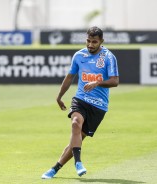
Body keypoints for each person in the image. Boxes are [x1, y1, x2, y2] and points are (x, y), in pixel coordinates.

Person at [41, 26, 119, 179]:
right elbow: (70, 77)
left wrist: (97, 83)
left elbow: (115, 81)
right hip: (81, 98)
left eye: (94, 42)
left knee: (75, 141)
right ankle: (78, 162)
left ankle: (55, 168)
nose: (90, 45)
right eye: (88, 41)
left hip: (99, 105)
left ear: (101, 41)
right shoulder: (79, 55)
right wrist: (59, 96)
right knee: (75, 122)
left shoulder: (109, 57)